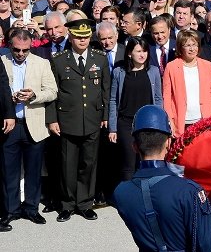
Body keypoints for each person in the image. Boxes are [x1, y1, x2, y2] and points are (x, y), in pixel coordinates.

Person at [112, 105, 211, 251]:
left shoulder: (120, 193)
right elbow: (207, 245)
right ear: (168, 143)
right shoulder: (188, 191)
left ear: (135, 146)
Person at [46, 18, 111, 222]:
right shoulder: (59, 60)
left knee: (88, 164)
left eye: (86, 37)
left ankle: (84, 203)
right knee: (67, 164)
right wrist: (52, 119)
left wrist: (106, 116)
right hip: (67, 120)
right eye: (78, 37)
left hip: (92, 119)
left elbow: (106, 91)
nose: (82, 40)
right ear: (71, 37)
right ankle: (67, 204)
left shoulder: (99, 59)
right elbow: (52, 93)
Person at [1, 29, 53, 230]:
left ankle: (31, 208)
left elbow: (52, 91)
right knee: (8, 170)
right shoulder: (2, 61)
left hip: (34, 124)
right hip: (10, 125)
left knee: (33, 170)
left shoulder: (42, 63)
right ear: (9, 45)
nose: (21, 53)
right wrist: (8, 100)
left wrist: (33, 96)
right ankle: (10, 210)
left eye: (25, 50)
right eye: (16, 49)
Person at [108, 37, 163, 181]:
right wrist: (112, 128)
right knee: (128, 161)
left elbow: (158, 98)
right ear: (129, 53)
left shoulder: (154, 71)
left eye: (144, 51)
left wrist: (159, 123)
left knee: (145, 160)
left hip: (147, 124)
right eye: (138, 51)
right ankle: (129, 195)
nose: (142, 55)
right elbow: (113, 100)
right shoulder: (119, 72)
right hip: (126, 123)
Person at [162, 30, 211, 136]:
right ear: (180, 47)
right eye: (187, 45)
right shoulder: (171, 67)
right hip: (181, 123)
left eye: (194, 44)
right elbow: (167, 97)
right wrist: (170, 121)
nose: (192, 48)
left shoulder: (207, 65)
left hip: (204, 121)